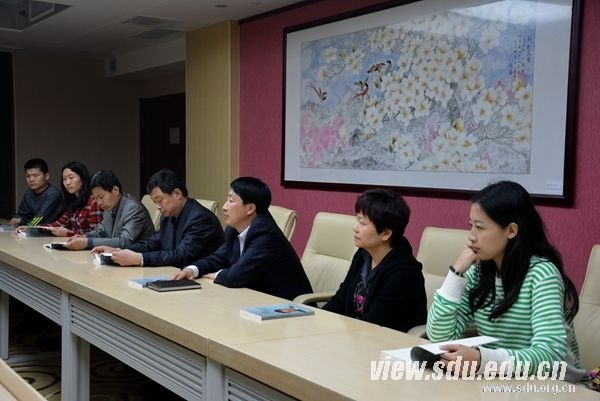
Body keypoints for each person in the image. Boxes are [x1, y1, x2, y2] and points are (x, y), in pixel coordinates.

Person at [426, 180, 586, 382]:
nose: (471, 237)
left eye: (479, 227)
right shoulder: (479, 271)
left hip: (555, 386)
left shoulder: (542, 274)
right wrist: (455, 274)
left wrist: (483, 360)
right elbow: (439, 337)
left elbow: (550, 354)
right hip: (502, 380)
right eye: (471, 225)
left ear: (511, 230)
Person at [172, 176, 313, 301]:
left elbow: (235, 276)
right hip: (255, 299)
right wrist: (192, 270)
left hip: (288, 306)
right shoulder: (233, 229)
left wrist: (217, 274)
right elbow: (218, 258)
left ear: (250, 208)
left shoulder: (267, 234)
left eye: (231, 201)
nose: (224, 207)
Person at [322, 188, 427, 332]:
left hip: (385, 340)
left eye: (362, 223)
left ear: (386, 233)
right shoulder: (363, 255)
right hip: (356, 334)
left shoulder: (404, 273)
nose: (355, 228)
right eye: (357, 220)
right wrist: (316, 319)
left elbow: (374, 323)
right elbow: (341, 298)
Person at [92, 169, 224, 267]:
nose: (158, 207)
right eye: (154, 202)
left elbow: (181, 255)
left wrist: (140, 258)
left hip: (203, 280)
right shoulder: (168, 215)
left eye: (160, 200)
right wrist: (119, 251)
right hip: (175, 274)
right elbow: (153, 242)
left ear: (177, 194)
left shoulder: (201, 218)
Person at [63, 170, 155, 250]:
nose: (99, 203)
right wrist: (84, 237)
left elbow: (124, 241)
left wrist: (87, 242)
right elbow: (101, 232)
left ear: (115, 190)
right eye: (95, 198)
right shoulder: (110, 206)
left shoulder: (133, 208)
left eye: (101, 197)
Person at [46, 161, 103, 236]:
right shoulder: (72, 201)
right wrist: (36, 228)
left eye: (71, 178)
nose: (67, 183)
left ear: (82, 178)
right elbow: (59, 223)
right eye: (64, 179)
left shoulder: (93, 202)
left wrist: (68, 233)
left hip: (88, 243)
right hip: (75, 242)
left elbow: (96, 235)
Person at [10, 158, 64, 227]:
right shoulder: (29, 193)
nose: (31, 179)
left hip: (52, 231)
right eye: (28, 176)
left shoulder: (53, 194)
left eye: (36, 175)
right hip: (34, 231)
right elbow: (22, 214)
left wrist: (22, 221)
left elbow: (40, 218)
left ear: (46, 176)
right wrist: (16, 219)